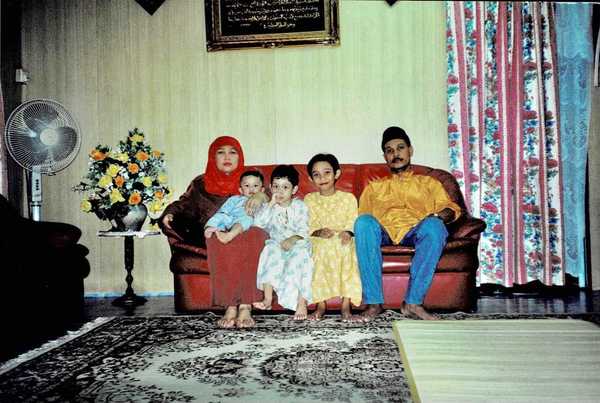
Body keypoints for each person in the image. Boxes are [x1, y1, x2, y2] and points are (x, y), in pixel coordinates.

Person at [354, 127, 462, 321]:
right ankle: (374, 302)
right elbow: (365, 221)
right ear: (385, 157)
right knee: (363, 222)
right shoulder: (374, 188)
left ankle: (413, 303)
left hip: (417, 228)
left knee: (434, 226)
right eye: (389, 150)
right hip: (384, 231)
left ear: (410, 151)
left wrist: (437, 216)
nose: (395, 154)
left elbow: (451, 208)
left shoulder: (430, 183)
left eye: (400, 148)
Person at [159, 136, 266, 329]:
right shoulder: (201, 183)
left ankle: (245, 305)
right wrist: (170, 213)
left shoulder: (250, 179)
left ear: (240, 157)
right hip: (216, 233)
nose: (227, 156)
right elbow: (183, 203)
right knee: (218, 238)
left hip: (246, 232)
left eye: (233, 152)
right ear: (212, 157)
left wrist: (260, 195)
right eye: (220, 152)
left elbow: (275, 194)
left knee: (252, 235)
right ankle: (231, 305)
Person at [304, 153, 362, 322]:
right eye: (316, 174)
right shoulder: (309, 199)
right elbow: (308, 225)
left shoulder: (348, 198)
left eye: (327, 172)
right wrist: (318, 232)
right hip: (319, 237)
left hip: (343, 235)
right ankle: (321, 305)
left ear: (336, 174)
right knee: (318, 248)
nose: (322, 178)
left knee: (348, 246)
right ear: (310, 179)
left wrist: (348, 233)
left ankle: (346, 305)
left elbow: (352, 221)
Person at [252, 165, 313, 320]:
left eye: (285, 187)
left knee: (302, 255)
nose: (279, 191)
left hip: (297, 243)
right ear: (270, 188)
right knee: (269, 250)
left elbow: (304, 230)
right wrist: (270, 204)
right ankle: (267, 299)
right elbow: (258, 224)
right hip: (277, 244)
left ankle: (301, 301)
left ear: (294, 190)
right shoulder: (269, 207)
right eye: (276, 187)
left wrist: (293, 239)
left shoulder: (300, 206)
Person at [204, 170, 265, 244]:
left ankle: (229, 235)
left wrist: (262, 198)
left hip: (243, 220)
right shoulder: (235, 198)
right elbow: (224, 209)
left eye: (255, 186)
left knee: (248, 219)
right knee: (219, 216)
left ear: (262, 190)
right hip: (230, 217)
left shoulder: (261, 201)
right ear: (241, 190)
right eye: (247, 186)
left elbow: (267, 210)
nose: (251, 188)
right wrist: (222, 215)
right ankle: (210, 228)